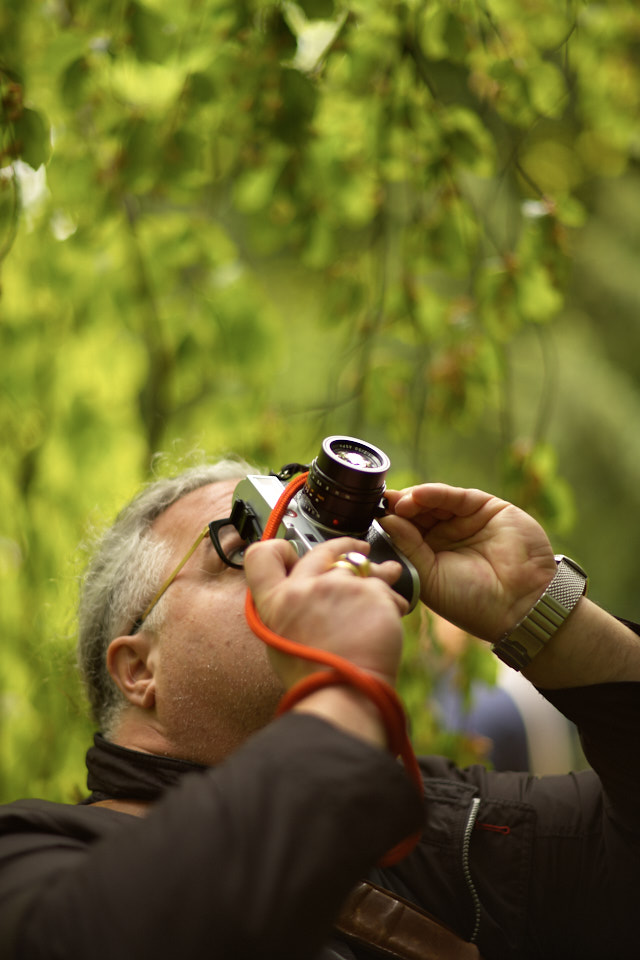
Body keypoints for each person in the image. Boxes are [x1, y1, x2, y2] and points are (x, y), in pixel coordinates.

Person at [0, 458, 638, 959]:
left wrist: (546, 616)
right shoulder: (32, 853)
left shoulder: (427, 825)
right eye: (243, 540)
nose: (301, 562)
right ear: (140, 669)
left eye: (304, 531)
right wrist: (346, 692)